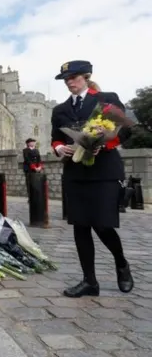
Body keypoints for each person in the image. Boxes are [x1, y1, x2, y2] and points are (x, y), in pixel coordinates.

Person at [50, 60, 134, 298]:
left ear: (86, 77)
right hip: (76, 172)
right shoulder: (60, 110)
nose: (69, 82)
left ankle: (121, 263)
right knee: (81, 226)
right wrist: (59, 149)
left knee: (103, 224)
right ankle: (90, 281)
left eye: (74, 78)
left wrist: (104, 144)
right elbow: (55, 138)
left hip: (104, 171)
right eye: (66, 80)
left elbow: (125, 130)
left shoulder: (106, 99)